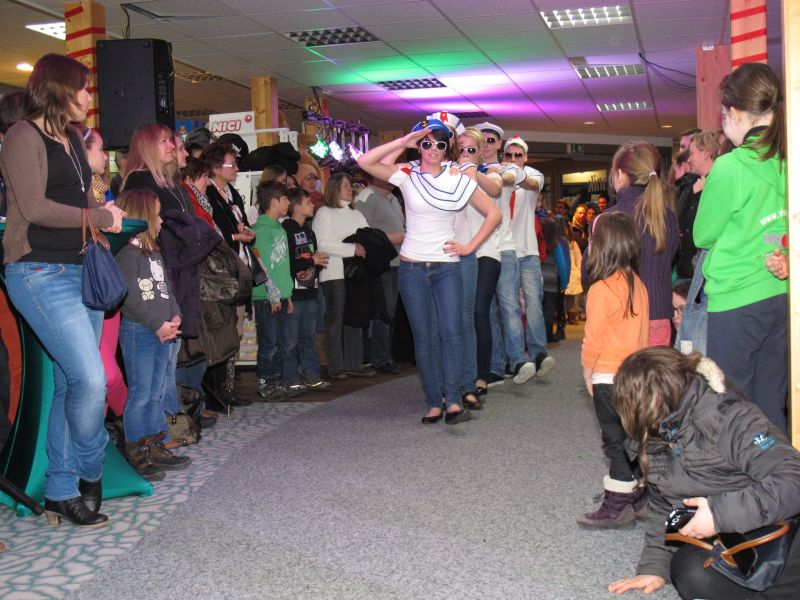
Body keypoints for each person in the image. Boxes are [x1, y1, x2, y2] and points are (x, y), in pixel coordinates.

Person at [0, 53, 125, 527]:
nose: (89, 96)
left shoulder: (72, 137)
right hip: (38, 272)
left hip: (81, 268)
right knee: (90, 380)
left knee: (71, 383)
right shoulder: (22, 135)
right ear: (58, 89)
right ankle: (92, 468)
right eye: (83, 88)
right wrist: (98, 215)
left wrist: (102, 184)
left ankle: (60, 490)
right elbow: (34, 207)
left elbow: (87, 196)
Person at [608, 346, 800, 599]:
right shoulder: (651, 435)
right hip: (732, 539)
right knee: (690, 572)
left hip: (778, 525)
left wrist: (719, 514)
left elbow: (793, 479)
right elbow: (664, 506)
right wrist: (655, 567)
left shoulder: (730, 418)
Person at [357, 119, 501, 423]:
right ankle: (434, 401)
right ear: (419, 146)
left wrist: (469, 246)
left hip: (447, 267)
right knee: (424, 338)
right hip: (412, 268)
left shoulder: (457, 177)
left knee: (452, 334)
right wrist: (403, 140)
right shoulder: (408, 175)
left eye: (439, 143)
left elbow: (494, 214)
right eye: (426, 143)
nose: (433, 148)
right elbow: (364, 161)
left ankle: (453, 400)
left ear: (447, 147)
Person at [693, 62, 788, 433]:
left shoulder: (730, 167)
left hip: (736, 299)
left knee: (732, 407)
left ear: (733, 113)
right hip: (779, 295)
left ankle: (739, 471)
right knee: (771, 404)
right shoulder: (787, 160)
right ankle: (777, 469)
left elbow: (703, 234)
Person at [577, 212, 649, 528]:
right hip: (635, 378)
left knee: (613, 440)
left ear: (601, 247)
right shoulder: (640, 286)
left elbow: (593, 340)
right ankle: (639, 493)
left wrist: (587, 371)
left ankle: (618, 500)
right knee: (633, 437)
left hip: (607, 377)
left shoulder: (600, 289)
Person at [114, 189, 190, 481]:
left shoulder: (154, 253)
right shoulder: (126, 253)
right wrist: (157, 324)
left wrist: (175, 315)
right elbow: (129, 297)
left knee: (156, 392)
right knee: (141, 394)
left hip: (162, 331)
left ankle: (154, 444)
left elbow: (167, 290)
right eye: (156, 215)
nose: (161, 221)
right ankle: (137, 451)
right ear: (142, 217)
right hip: (140, 331)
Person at [605, 141, 678, 346]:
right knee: (655, 367)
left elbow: (592, 271)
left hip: (620, 314)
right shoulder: (668, 217)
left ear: (620, 174)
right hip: (659, 311)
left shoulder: (609, 218)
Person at [498, 135, 555, 381]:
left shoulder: (533, 174)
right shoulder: (497, 175)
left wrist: (512, 174)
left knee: (533, 304)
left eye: (518, 155)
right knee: (509, 307)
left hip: (528, 250)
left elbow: (532, 184)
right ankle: (517, 359)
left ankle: (539, 354)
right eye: (508, 155)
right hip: (504, 249)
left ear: (526, 157)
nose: (513, 159)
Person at [81, 127, 128, 420]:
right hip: (85, 282)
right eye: (99, 149)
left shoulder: (102, 186)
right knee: (106, 375)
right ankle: (132, 425)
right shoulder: (74, 189)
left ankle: (112, 430)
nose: (105, 156)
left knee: (107, 368)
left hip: (107, 281)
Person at [312, 173, 375, 380]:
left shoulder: (356, 214)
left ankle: (354, 363)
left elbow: (367, 236)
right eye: (346, 185)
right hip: (335, 273)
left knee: (354, 318)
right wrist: (352, 249)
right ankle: (336, 366)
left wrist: (365, 247)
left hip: (355, 273)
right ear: (335, 188)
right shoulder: (325, 213)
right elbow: (323, 244)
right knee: (336, 319)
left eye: (351, 186)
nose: (351, 189)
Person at [355, 174, 405, 375]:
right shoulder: (367, 197)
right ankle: (380, 357)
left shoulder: (393, 199)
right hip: (381, 264)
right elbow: (361, 231)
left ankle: (389, 354)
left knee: (392, 311)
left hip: (398, 262)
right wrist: (392, 238)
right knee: (383, 311)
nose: (392, 180)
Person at [283, 188, 331, 392]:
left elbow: (313, 260)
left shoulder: (310, 232)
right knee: (290, 339)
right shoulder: (286, 231)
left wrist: (315, 264)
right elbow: (287, 263)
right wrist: (311, 261)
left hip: (310, 290)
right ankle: (290, 378)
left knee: (309, 336)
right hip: (293, 293)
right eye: (308, 202)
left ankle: (312, 375)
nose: (313, 205)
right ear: (296, 207)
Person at [252, 181, 294, 401]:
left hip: (281, 296)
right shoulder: (261, 230)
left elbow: (282, 266)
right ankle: (265, 382)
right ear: (274, 201)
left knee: (282, 344)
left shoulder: (280, 228)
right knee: (269, 343)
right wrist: (274, 295)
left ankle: (277, 381)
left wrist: (287, 295)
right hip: (267, 298)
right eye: (285, 199)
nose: (289, 203)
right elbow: (263, 266)